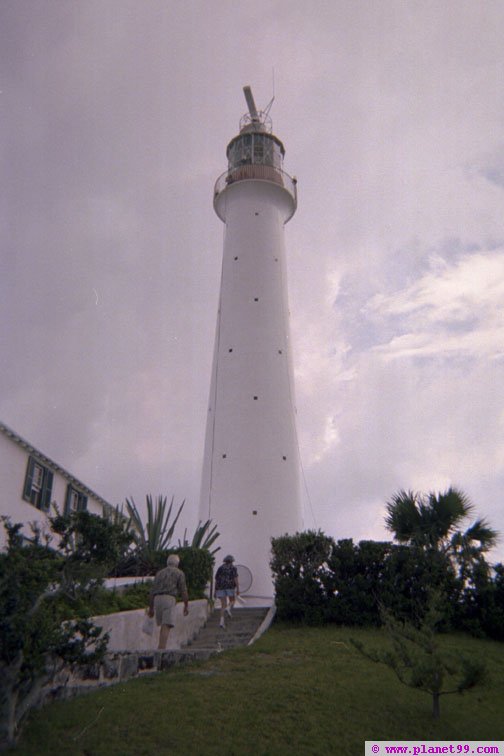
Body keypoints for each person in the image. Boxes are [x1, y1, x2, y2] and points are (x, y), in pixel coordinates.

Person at [148, 554, 189, 650]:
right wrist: (186, 605)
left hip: (157, 599)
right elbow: (183, 590)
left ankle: (161, 646)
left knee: (163, 624)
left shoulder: (159, 573)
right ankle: (161, 648)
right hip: (169, 598)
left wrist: (151, 607)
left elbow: (152, 591)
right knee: (166, 625)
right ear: (177, 564)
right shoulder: (179, 573)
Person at [215, 554, 240, 629]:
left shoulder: (220, 568)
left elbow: (216, 579)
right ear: (232, 561)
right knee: (232, 600)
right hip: (230, 586)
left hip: (220, 587)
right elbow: (235, 578)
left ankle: (221, 622)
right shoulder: (233, 568)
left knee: (223, 605)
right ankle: (228, 608)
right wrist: (238, 588)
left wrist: (215, 590)